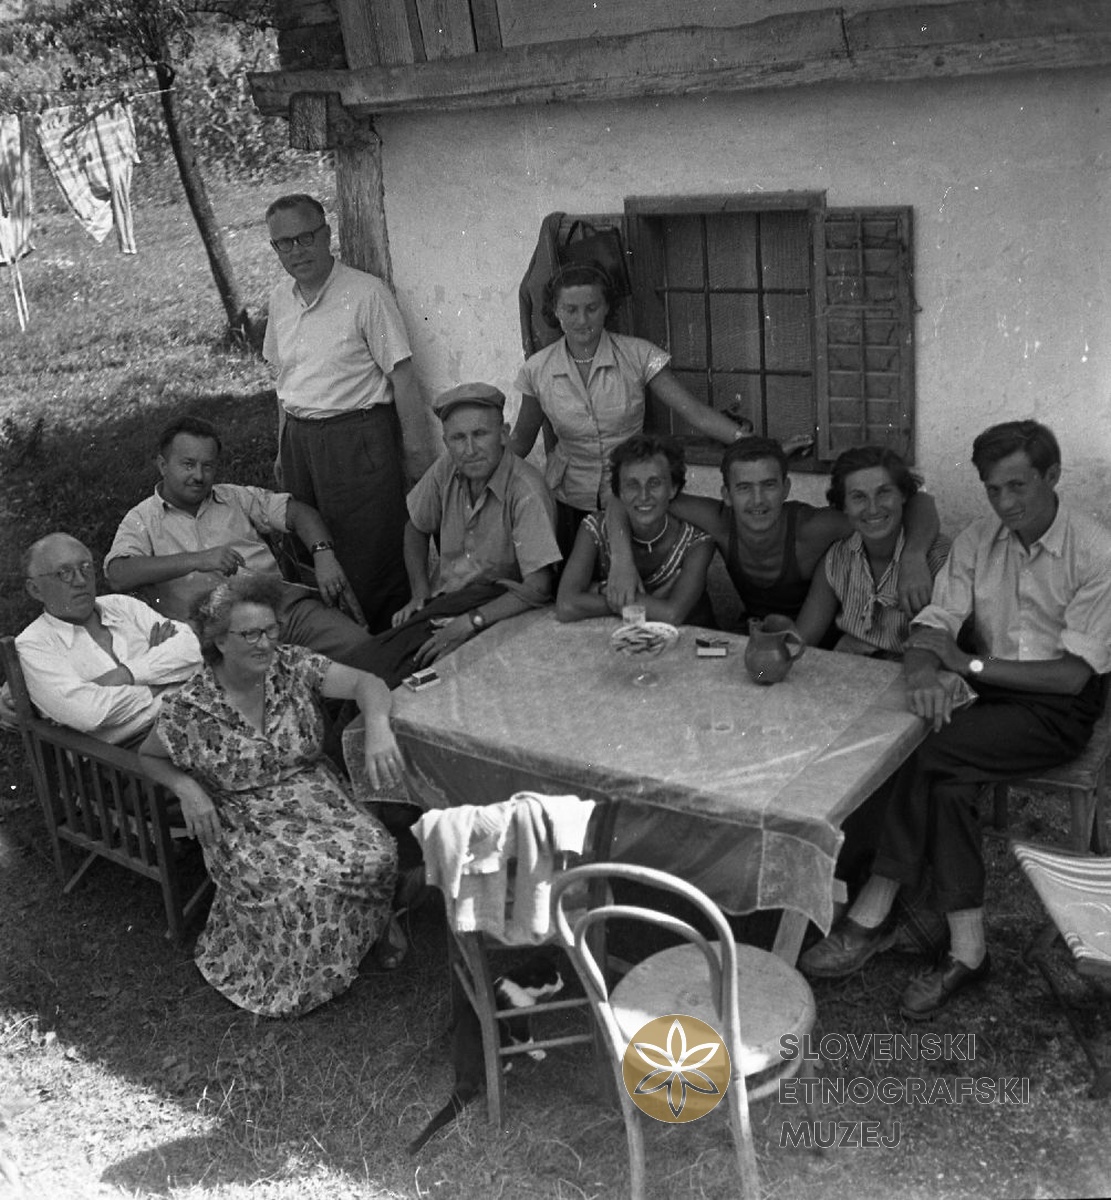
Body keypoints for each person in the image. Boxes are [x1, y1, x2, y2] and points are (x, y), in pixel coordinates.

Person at [798, 421, 1111, 1019]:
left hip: (1058, 709)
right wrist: (921, 673)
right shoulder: (977, 541)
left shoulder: (1095, 551)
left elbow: (1072, 677)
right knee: (948, 785)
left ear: (1052, 476)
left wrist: (966, 663)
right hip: (991, 697)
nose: (1005, 503)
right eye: (993, 489)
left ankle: (873, 907)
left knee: (925, 752)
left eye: (1018, 486)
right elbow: (935, 623)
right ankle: (968, 951)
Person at [137, 574, 406, 1019]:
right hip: (243, 813)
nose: (265, 643)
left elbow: (368, 684)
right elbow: (149, 756)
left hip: (314, 792)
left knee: (375, 853)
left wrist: (378, 727)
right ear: (219, 641)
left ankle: (372, 923)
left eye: (270, 630)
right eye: (250, 634)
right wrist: (187, 788)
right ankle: (302, 973)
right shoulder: (190, 706)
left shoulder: (293, 665)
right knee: (300, 885)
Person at [264, 193, 432, 633]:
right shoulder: (280, 298)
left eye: (306, 238)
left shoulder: (365, 293)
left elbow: (403, 377)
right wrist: (282, 447)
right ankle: (336, 644)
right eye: (284, 243)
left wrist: (417, 455)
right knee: (311, 551)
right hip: (300, 440)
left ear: (326, 235)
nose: (297, 251)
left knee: (371, 552)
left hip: (356, 438)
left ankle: (390, 645)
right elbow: (284, 379)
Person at [510, 262, 754, 556]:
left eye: (592, 308)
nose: (582, 319)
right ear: (555, 310)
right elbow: (521, 440)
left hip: (633, 498)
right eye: (570, 310)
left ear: (606, 308)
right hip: (569, 501)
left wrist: (756, 445)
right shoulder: (537, 369)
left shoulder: (638, 355)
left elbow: (695, 412)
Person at [105, 416, 383, 674]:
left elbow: (299, 513)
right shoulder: (142, 519)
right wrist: (197, 560)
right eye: (188, 465)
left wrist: (323, 554)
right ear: (163, 465)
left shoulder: (235, 498)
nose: (199, 476)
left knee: (367, 653)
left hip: (280, 610)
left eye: (208, 466)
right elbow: (118, 573)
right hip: (213, 635)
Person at [606, 436, 941, 631]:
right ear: (726, 494)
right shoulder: (719, 521)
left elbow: (919, 501)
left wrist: (913, 556)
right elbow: (623, 500)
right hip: (755, 637)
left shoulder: (812, 528)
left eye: (768, 486)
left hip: (813, 645)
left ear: (786, 488)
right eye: (744, 488)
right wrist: (622, 562)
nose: (757, 501)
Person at [360, 383, 561, 688]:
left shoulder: (525, 490)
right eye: (458, 438)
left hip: (502, 611)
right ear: (446, 442)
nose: (469, 449)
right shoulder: (447, 469)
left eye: (480, 434)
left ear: (504, 434)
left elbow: (537, 588)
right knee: (368, 669)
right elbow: (415, 528)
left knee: (411, 679)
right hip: (446, 603)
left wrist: (471, 622)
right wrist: (419, 593)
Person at [14, 532, 200, 745]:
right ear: (35, 589)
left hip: (192, 715)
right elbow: (90, 713)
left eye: (85, 567)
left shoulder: (122, 606)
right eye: (64, 573)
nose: (80, 580)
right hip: (125, 751)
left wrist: (126, 674)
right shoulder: (33, 645)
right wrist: (161, 675)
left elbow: (194, 647)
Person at [795, 445, 951, 656]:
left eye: (884, 492)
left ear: (903, 495)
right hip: (849, 668)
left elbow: (944, 649)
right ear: (844, 506)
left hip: (915, 672)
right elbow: (802, 641)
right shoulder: (837, 558)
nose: (873, 508)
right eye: (859, 497)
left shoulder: (938, 559)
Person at [556, 433, 715, 627]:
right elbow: (566, 606)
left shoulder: (697, 541)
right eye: (632, 485)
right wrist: (646, 601)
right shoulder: (594, 529)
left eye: (654, 483)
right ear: (619, 493)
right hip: (626, 640)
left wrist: (603, 591)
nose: (644, 495)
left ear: (673, 489)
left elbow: (671, 614)